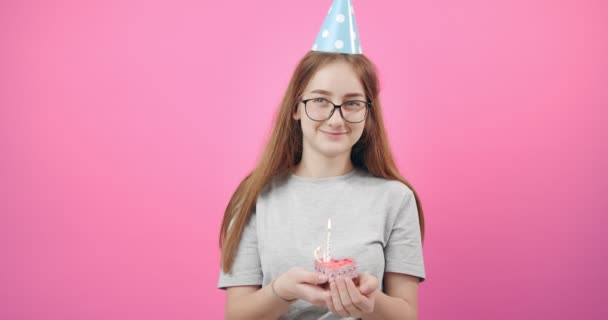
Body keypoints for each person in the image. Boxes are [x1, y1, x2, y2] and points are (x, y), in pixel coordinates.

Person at [217, 1, 426, 319]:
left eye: (352, 103)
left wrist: (370, 303)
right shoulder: (255, 196)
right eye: (320, 101)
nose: (335, 118)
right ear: (296, 108)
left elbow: (406, 315)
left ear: (369, 114)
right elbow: (237, 316)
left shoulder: (395, 199)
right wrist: (281, 290)